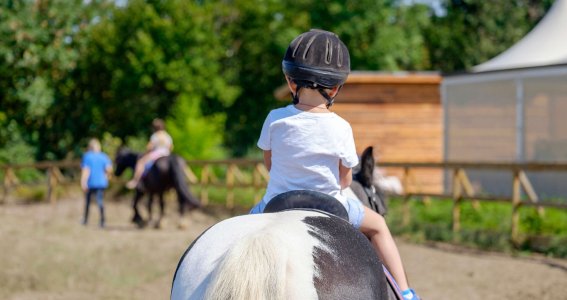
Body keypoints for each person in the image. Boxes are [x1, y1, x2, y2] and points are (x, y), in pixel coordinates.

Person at [250, 29, 419, 300]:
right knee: (378, 227)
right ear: (336, 88)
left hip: (276, 202)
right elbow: (344, 181)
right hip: (330, 204)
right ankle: (407, 293)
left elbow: (270, 165)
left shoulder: (274, 118)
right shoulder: (341, 127)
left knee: (238, 231)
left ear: (290, 82)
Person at [126, 118, 173, 189]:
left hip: (157, 153)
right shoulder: (167, 136)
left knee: (141, 162)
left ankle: (135, 181)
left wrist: (145, 153)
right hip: (167, 153)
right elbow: (171, 147)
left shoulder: (155, 135)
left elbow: (149, 147)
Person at [81, 138, 113, 228]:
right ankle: (102, 221)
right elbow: (109, 169)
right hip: (102, 182)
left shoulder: (87, 156)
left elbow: (86, 170)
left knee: (87, 202)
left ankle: (85, 220)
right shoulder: (104, 156)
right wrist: (106, 177)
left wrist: (83, 182)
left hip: (90, 183)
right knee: (100, 202)